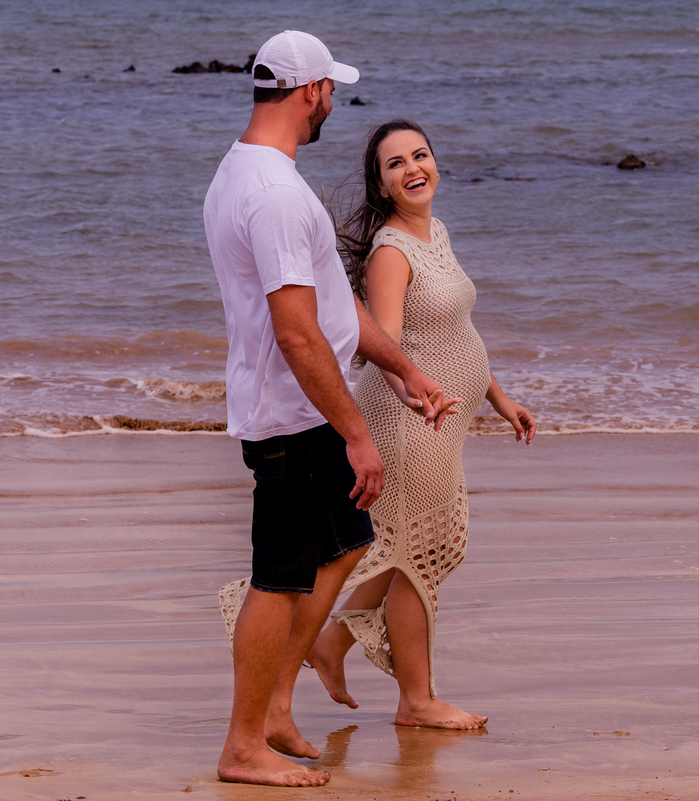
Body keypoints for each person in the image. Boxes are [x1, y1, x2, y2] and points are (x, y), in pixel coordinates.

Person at [204, 35, 455, 788]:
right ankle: (243, 744)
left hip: (302, 408)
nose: (335, 104)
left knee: (345, 543)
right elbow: (297, 330)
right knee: (277, 578)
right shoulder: (274, 193)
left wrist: (404, 367)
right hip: (291, 415)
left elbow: (333, 303)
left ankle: (275, 704)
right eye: (331, 90)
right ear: (309, 90)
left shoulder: (251, 171)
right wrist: (356, 431)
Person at [305, 118, 537, 729]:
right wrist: (412, 400)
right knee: (416, 552)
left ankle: (330, 644)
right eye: (395, 164)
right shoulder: (391, 251)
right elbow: (380, 342)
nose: (413, 169)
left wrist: (500, 398)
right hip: (408, 423)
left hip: (443, 422)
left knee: (408, 549)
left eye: (421, 156)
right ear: (380, 185)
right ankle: (416, 701)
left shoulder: (436, 233)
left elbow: (459, 331)